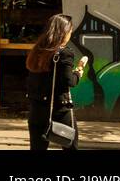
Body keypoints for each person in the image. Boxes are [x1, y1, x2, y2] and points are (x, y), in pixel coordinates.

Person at [25, 13, 85, 151]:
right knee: (71, 146)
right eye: (70, 31)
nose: (70, 34)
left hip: (36, 109)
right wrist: (79, 71)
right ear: (63, 32)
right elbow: (69, 81)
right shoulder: (65, 54)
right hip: (58, 110)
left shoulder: (37, 50)